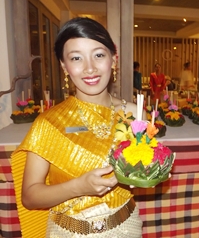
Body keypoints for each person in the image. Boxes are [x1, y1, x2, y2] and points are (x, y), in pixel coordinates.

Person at [11, 17, 143, 238]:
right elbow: (30, 197)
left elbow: (138, 174)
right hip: (68, 232)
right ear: (64, 66)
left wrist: (148, 171)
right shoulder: (49, 123)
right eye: (76, 58)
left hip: (126, 227)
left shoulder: (134, 113)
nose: (90, 68)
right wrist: (79, 187)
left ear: (114, 59)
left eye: (99, 55)